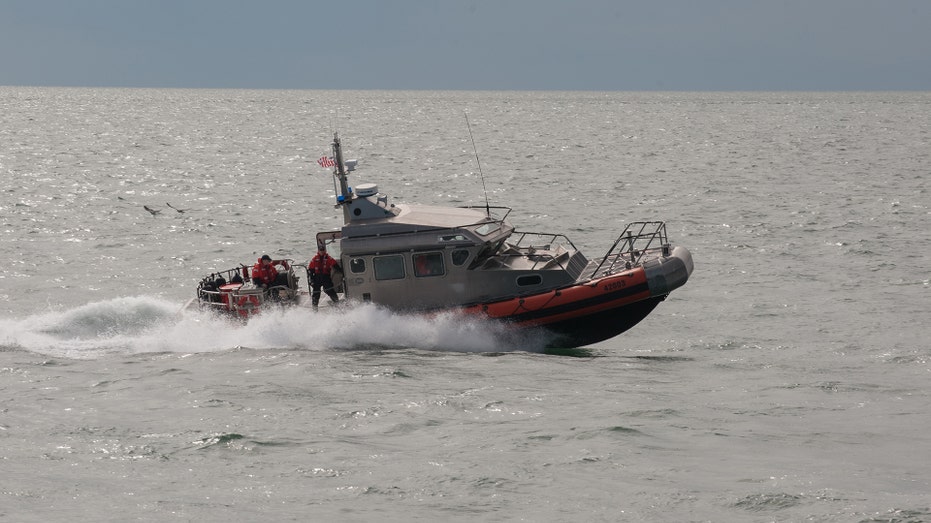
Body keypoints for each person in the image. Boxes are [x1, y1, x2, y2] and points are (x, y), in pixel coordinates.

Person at [307, 245, 340, 310]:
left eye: (323, 250)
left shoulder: (328, 258)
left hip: (326, 277)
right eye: (320, 250)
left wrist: (341, 272)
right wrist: (311, 280)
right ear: (318, 251)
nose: (321, 252)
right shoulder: (314, 259)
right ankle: (314, 308)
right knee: (316, 293)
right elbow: (311, 270)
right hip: (317, 277)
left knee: (330, 290)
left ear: (325, 251)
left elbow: (335, 265)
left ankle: (337, 304)